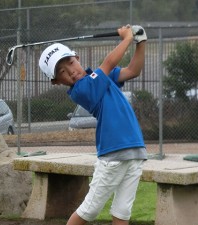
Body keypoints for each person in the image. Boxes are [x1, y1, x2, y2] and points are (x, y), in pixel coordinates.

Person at [39, 25, 147, 225]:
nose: (71, 72)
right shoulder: (82, 89)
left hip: (134, 150)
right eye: (62, 71)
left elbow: (133, 70)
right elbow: (108, 63)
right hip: (113, 152)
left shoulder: (101, 77)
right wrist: (126, 39)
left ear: (77, 58)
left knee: (123, 211)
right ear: (56, 81)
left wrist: (141, 42)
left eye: (70, 63)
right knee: (90, 209)